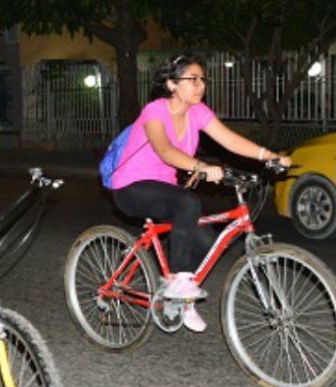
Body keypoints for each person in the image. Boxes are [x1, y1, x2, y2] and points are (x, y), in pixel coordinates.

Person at [110, 54, 291, 332]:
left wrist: (270, 156)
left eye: (203, 79)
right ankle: (180, 282)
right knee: (187, 202)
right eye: (192, 79)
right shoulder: (155, 111)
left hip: (164, 189)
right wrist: (201, 167)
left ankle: (183, 298)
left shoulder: (198, 113)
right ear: (172, 85)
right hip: (131, 187)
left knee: (207, 241)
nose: (200, 85)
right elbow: (165, 150)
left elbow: (229, 140)